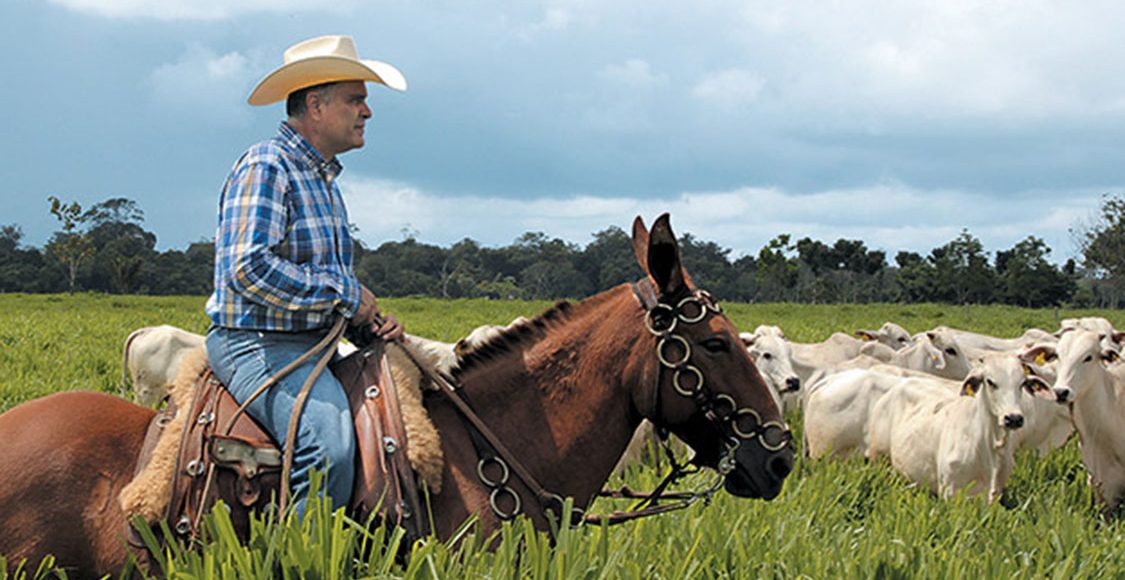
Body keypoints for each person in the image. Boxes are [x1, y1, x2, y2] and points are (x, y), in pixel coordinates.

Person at [205, 35, 406, 514]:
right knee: (329, 448)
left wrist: (365, 323)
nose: (367, 112)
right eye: (356, 99)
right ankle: (302, 563)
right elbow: (246, 268)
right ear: (316, 105)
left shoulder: (323, 181)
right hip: (255, 342)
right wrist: (345, 293)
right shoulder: (267, 165)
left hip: (312, 343)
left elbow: (320, 291)